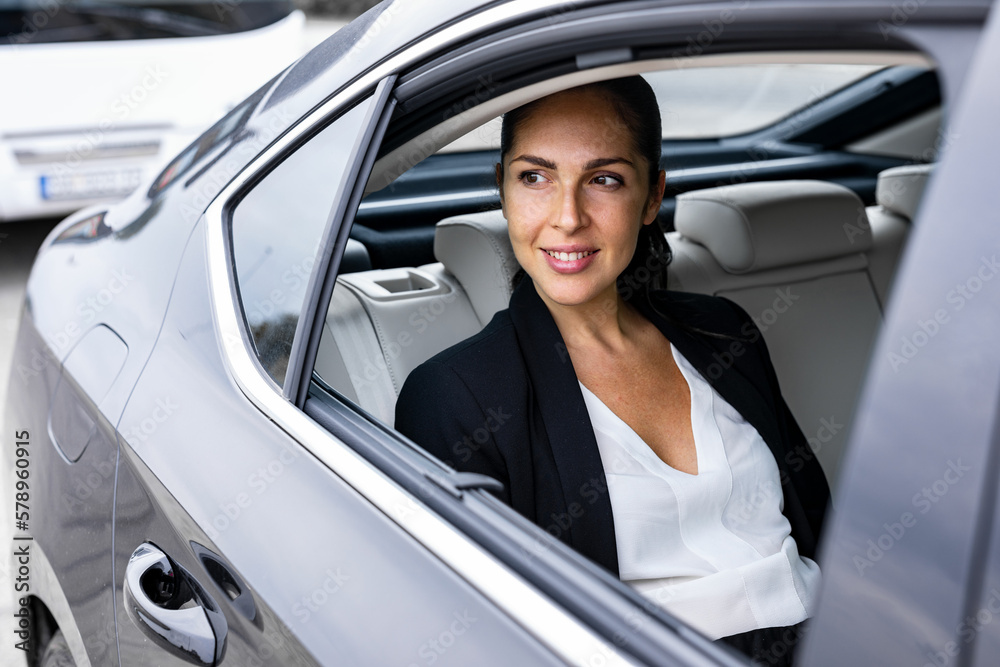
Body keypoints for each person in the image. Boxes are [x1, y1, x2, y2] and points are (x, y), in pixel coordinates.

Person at [394, 76, 830, 665]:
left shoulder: (723, 332)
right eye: (535, 177)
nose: (568, 217)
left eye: (604, 179)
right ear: (502, 189)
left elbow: (820, 520)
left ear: (652, 197)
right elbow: (488, 635)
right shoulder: (455, 396)